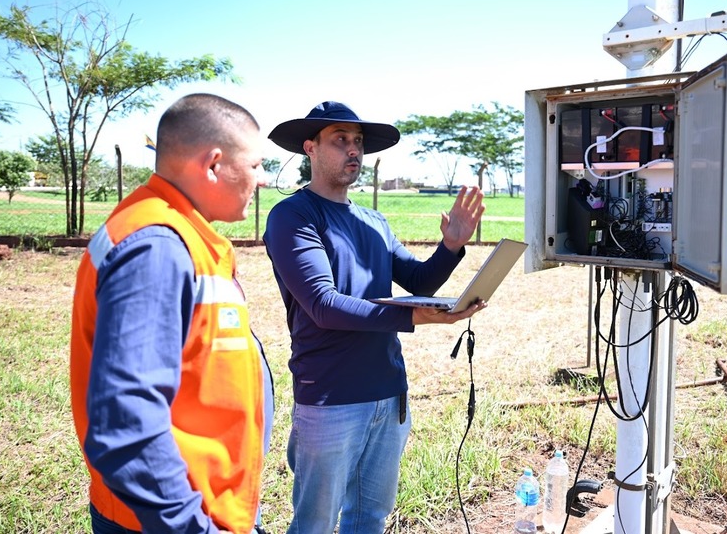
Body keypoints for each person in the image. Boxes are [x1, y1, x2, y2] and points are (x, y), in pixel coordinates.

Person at [262, 100, 486, 534]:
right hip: (329, 395)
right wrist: (415, 319)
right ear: (310, 148)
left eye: (359, 142)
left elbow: (419, 278)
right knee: (315, 524)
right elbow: (323, 305)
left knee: (369, 519)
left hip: (388, 391)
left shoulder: (373, 221)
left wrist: (452, 247)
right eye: (340, 140)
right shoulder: (293, 215)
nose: (353, 151)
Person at [70, 93, 275, 534]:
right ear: (214, 165)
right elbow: (127, 421)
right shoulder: (157, 246)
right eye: (257, 165)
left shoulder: (177, 232)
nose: (262, 179)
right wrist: (189, 525)